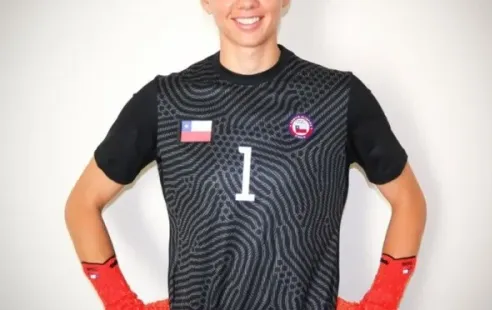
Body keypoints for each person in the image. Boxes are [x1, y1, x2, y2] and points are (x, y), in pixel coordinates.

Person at [64, 0, 427, 309]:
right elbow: (83, 202)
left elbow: (408, 198)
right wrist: (121, 303)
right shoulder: (168, 101)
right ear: (206, 1)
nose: (247, 1)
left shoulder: (337, 97)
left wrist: (382, 301)